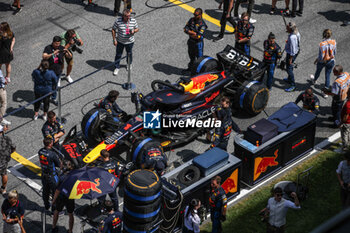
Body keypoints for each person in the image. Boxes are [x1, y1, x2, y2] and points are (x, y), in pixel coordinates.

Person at [42, 36, 71, 105]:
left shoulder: (61, 48)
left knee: (54, 86)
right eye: (56, 44)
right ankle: (44, 100)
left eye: (58, 43)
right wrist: (53, 53)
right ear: (53, 42)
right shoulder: (48, 48)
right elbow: (44, 56)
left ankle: (54, 98)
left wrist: (67, 51)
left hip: (58, 71)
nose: (57, 45)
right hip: (48, 71)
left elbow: (69, 56)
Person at [310, 29, 336, 98]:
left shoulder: (321, 44)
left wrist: (316, 60)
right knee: (327, 75)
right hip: (331, 61)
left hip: (322, 61)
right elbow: (334, 52)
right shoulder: (334, 42)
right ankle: (325, 92)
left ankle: (314, 80)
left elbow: (321, 56)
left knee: (318, 71)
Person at [112, 9, 139, 76]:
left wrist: (134, 31)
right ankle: (117, 67)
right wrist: (114, 39)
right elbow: (113, 29)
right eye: (127, 16)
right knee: (118, 54)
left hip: (130, 42)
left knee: (129, 54)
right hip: (120, 42)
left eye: (129, 16)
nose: (129, 17)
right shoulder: (118, 21)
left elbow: (137, 28)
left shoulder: (133, 20)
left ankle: (129, 64)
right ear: (123, 16)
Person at [38, 137, 62, 211]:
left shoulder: (40, 151)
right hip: (52, 176)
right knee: (56, 193)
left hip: (44, 174)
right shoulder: (52, 154)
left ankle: (46, 206)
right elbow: (59, 165)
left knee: (45, 191)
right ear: (51, 143)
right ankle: (54, 210)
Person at [52, 161, 74, 233]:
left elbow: (57, 190)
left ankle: (54, 227)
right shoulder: (73, 175)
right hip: (70, 197)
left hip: (61, 197)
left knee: (57, 211)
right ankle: (70, 231)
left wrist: (53, 200)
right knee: (71, 214)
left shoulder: (61, 177)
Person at [183, 8, 208, 73]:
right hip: (191, 42)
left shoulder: (202, 24)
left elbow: (198, 36)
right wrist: (193, 33)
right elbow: (185, 29)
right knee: (191, 57)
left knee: (199, 60)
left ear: (200, 15)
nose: (195, 16)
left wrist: (189, 32)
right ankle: (190, 69)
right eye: (194, 14)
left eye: (196, 15)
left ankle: (199, 73)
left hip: (198, 44)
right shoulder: (191, 20)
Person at [283, 22, 300, 92]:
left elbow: (293, 48)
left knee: (289, 68)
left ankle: (293, 85)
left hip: (291, 54)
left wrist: (291, 58)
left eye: (287, 27)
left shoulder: (292, 37)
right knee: (289, 67)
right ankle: (289, 79)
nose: (286, 28)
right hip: (294, 52)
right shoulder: (296, 33)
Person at [0, 122, 15, 195]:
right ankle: (3, 188)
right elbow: (13, 148)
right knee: (4, 174)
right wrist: (8, 154)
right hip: (4, 160)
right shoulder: (7, 138)